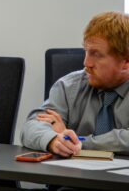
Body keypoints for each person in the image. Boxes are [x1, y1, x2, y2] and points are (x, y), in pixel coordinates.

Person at [21, 11, 129, 157]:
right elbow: (30, 128)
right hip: (73, 178)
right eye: (86, 51)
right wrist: (54, 139)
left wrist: (78, 141)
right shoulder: (69, 86)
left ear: (126, 62)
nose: (86, 63)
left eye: (96, 54)